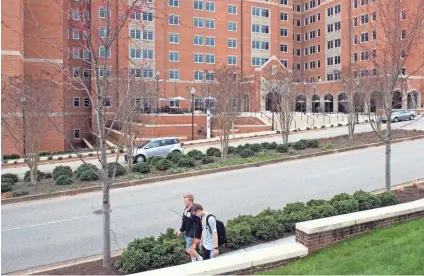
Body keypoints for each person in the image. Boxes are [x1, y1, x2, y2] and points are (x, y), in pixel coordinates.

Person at [177, 194, 203, 262]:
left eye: (185, 201)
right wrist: (181, 231)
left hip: (192, 234)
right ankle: (194, 262)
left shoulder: (195, 210)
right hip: (187, 233)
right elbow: (184, 221)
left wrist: (198, 237)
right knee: (192, 250)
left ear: (190, 201)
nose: (184, 202)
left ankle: (200, 259)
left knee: (189, 250)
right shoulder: (186, 210)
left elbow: (199, 224)